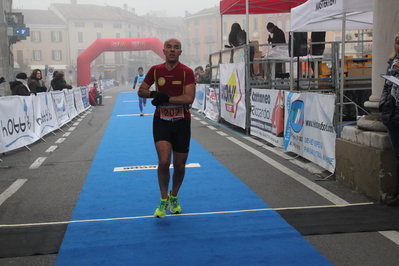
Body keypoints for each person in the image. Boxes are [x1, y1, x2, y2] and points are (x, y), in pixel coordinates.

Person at [138, 38, 196, 218]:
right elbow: (141, 90)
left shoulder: (187, 72)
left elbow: (189, 98)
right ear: (163, 51)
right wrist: (154, 93)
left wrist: (165, 98)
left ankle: (174, 195)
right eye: (169, 47)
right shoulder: (156, 70)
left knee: (179, 165)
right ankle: (163, 199)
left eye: (176, 48)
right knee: (164, 161)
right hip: (161, 121)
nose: (172, 50)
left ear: (180, 52)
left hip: (182, 122)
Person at [380, 33, 399, 206]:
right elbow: (387, 87)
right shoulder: (392, 62)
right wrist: (383, 105)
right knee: (397, 156)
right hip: (393, 113)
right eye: (398, 43)